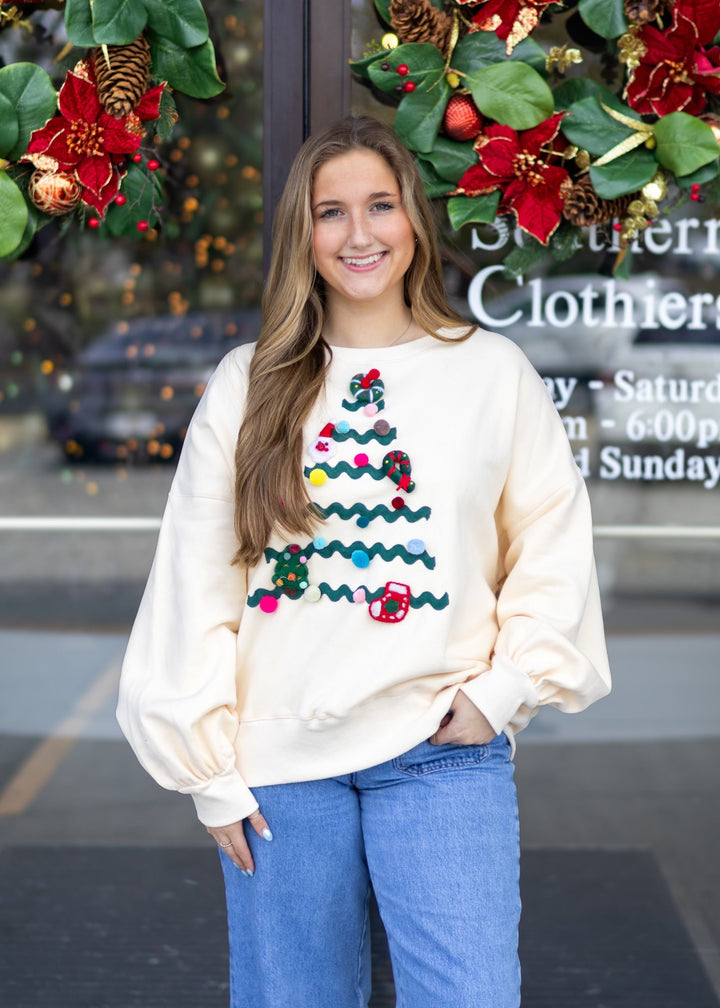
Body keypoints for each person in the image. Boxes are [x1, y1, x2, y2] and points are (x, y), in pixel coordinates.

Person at [117, 115, 611, 1008]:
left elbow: (551, 547)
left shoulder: (491, 373)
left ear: (413, 220)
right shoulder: (250, 380)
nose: (358, 234)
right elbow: (197, 577)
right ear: (302, 237)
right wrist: (210, 776)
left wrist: (499, 693)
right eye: (330, 211)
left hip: (440, 752)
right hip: (277, 767)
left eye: (379, 206)